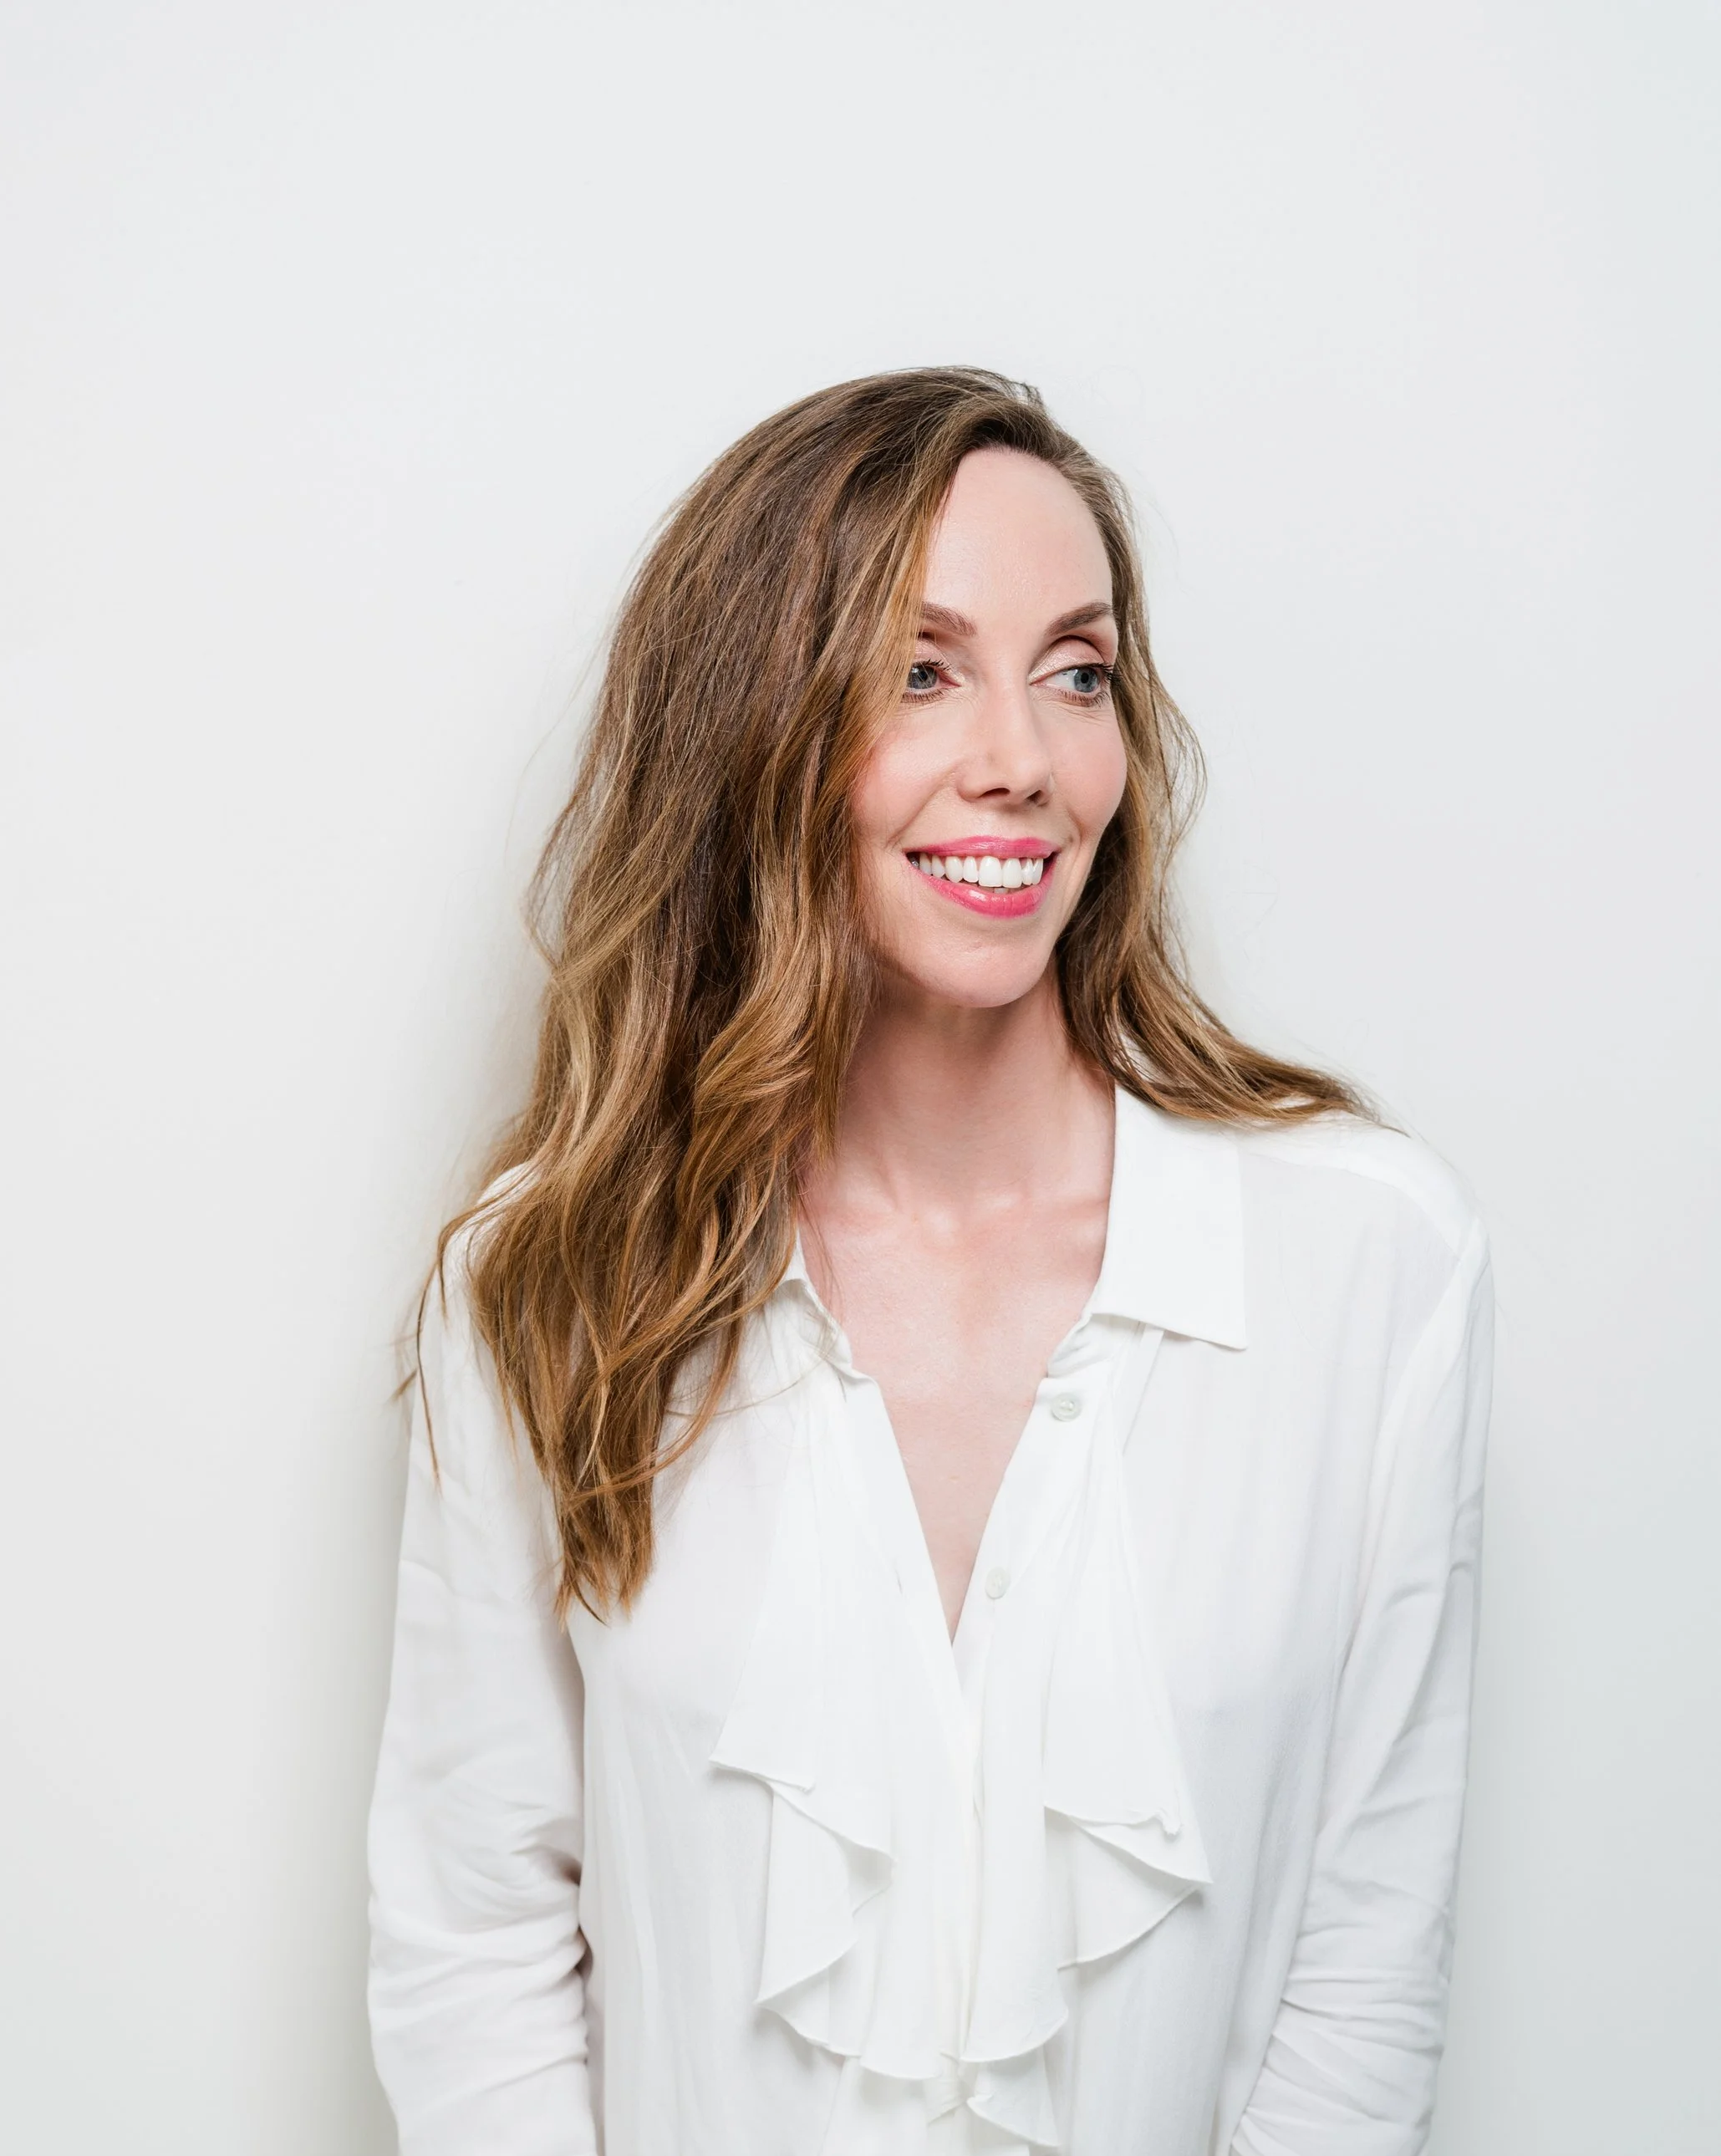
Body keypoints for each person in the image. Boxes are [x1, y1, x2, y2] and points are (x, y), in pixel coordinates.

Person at [364, 369, 1492, 2156]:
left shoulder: (1367, 1264)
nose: (1022, 761)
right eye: (917, 668)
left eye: (1074, 669)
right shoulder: (552, 1279)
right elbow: (475, 1938)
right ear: (755, 723)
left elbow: (1360, 1961)